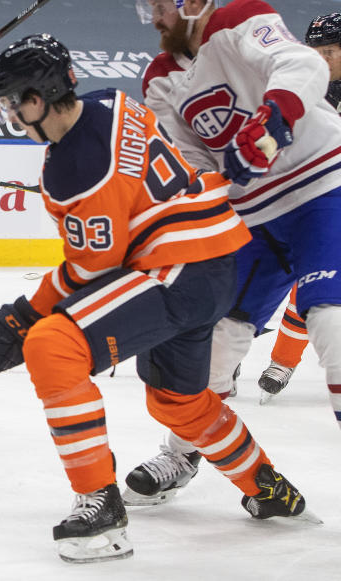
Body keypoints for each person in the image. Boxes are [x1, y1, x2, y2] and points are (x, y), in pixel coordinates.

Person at [0, 33, 309, 564]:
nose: (10, 115)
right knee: (176, 401)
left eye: (11, 102)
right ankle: (268, 486)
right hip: (214, 260)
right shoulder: (111, 100)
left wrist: (21, 319)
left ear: (36, 99)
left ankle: (100, 508)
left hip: (179, 269)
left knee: (52, 346)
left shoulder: (73, 170)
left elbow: (92, 271)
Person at [126, 0, 341, 505]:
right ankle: (182, 453)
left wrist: (269, 122)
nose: (154, 20)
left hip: (322, 189)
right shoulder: (160, 78)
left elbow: (302, 65)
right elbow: (189, 159)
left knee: (330, 322)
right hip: (253, 220)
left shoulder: (240, 18)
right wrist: (206, 183)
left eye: (159, 8)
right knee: (215, 342)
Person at [258, 12, 341, 402]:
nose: (322, 60)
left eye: (330, 51)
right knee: (248, 286)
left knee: (316, 287)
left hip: (329, 203)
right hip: (289, 198)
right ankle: (238, 346)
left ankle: (283, 362)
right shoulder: (300, 85)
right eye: (317, 51)